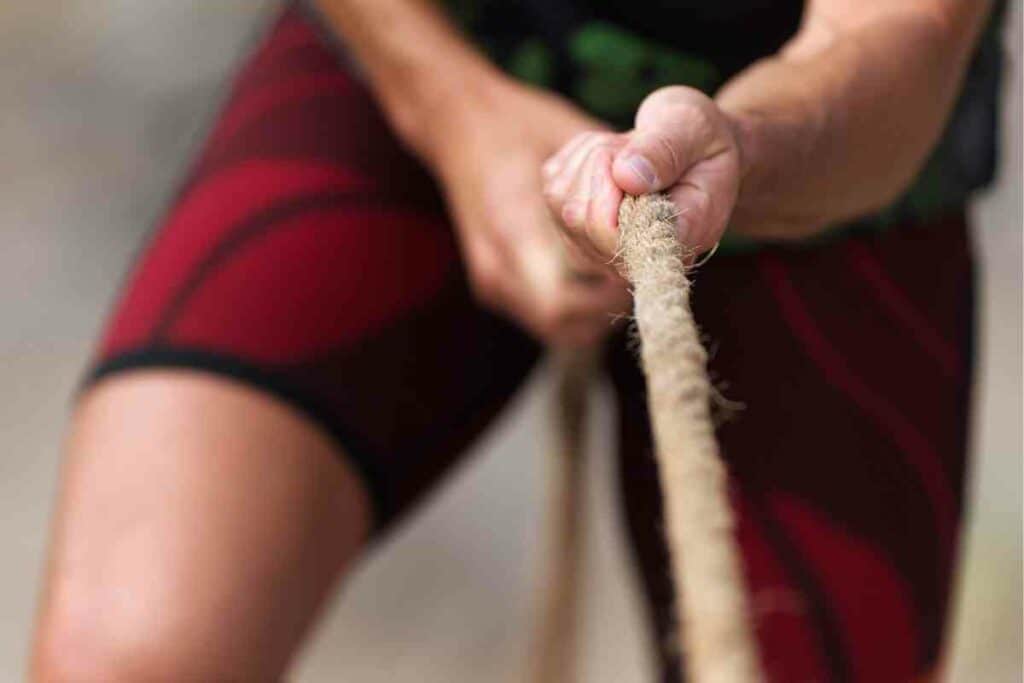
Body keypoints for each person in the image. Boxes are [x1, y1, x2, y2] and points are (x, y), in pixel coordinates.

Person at [30, 0, 1003, 680]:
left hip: (833, 153)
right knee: (125, 655)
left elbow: (892, 32)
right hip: (426, 44)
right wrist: (449, 109)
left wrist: (748, 152)